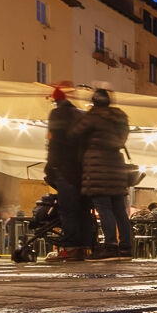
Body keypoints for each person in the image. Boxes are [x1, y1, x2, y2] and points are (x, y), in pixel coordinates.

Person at [73, 88, 132, 261]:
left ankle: (111, 246)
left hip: (97, 166)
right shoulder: (120, 117)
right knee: (120, 209)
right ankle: (126, 247)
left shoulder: (92, 117)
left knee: (104, 207)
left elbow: (75, 135)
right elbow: (123, 138)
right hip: (116, 164)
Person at [43, 85, 93, 262]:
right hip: (84, 171)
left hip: (66, 169)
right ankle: (85, 248)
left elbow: (54, 142)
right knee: (84, 210)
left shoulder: (57, 115)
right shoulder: (81, 116)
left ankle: (71, 249)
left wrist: (50, 166)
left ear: (56, 101)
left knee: (68, 210)